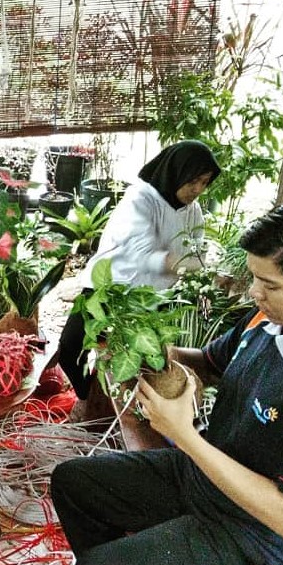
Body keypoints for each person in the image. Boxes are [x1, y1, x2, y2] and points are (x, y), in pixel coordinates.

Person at [51, 199, 283, 565]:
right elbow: (210, 363)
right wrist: (152, 351)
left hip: (259, 536)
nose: (254, 294)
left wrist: (184, 435)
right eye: (254, 278)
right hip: (208, 479)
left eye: (270, 284)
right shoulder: (270, 318)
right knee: (73, 484)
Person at [57, 140, 221, 404]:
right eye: (193, 181)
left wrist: (207, 271)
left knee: (139, 362)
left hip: (150, 299)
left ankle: (110, 406)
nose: (198, 190)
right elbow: (143, 254)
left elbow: (198, 250)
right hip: (109, 287)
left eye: (204, 182)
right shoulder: (140, 198)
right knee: (70, 348)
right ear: (176, 173)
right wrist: (184, 264)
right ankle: (88, 398)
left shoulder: (194, 211)